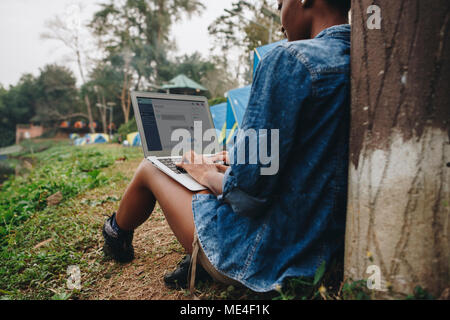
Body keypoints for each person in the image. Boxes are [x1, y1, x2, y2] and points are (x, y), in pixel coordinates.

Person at [102, 0, 351, 293]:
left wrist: (205, 172)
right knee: (212, 176)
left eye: (280, 4)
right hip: (326, 249)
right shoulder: (363, 60)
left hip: (267, 257)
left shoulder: (289, 59)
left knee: (149, 167)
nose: (281, 22)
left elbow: (247, 195)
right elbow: (317, 153)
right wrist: (239, 159)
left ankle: (115, 234)